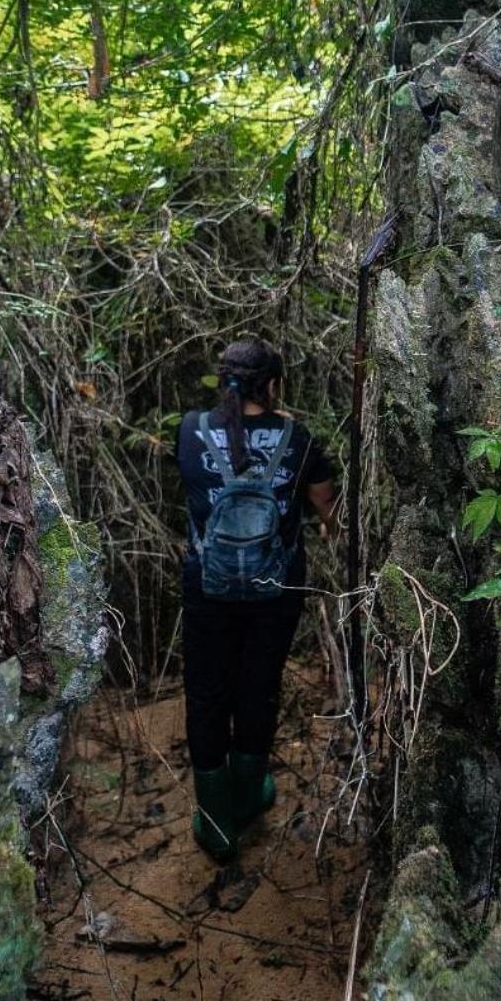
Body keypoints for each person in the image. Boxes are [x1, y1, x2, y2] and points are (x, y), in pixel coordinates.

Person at [175, 338, 337, 861]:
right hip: (275, 589)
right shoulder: (298, 438)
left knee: (205, 693)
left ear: (224, 381)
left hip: (208, 587)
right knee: (259, 686)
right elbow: (325, 504)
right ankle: (249, 794)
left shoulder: (190, 430)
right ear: (273, 385)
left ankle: (216, 822)